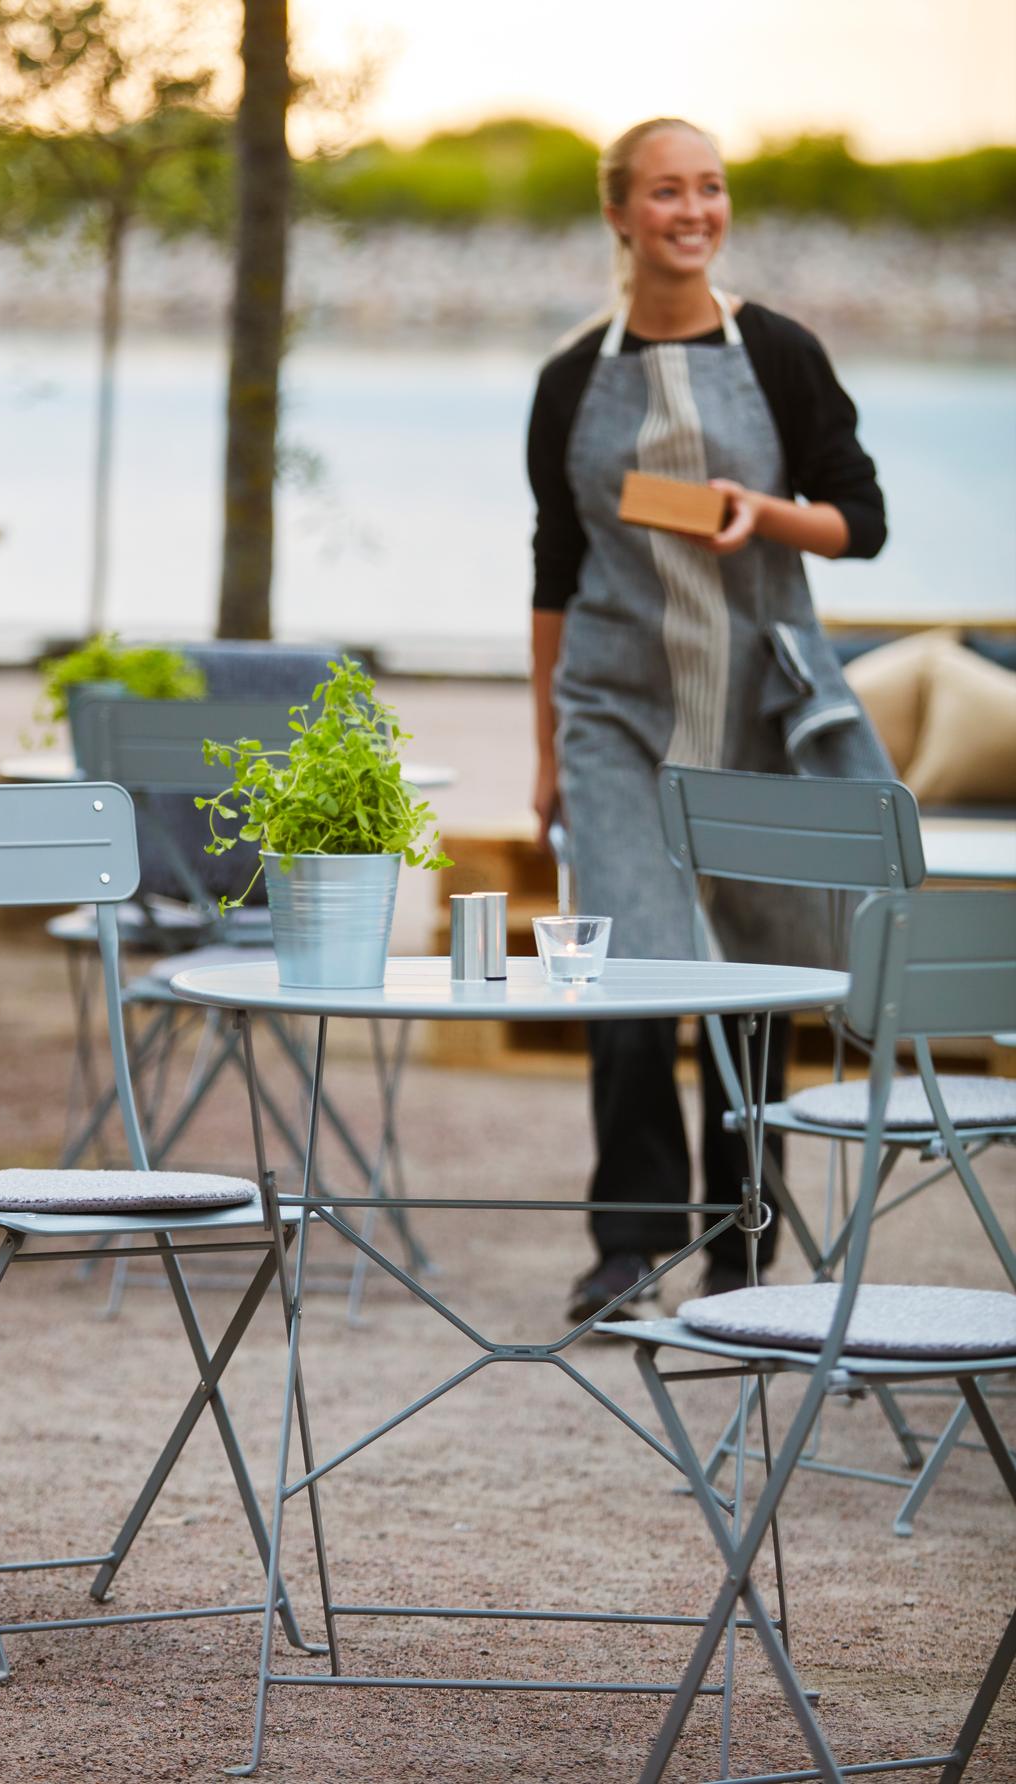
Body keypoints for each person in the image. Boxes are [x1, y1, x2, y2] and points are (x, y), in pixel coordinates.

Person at [526, 117, 892, 1324]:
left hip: (757, 709)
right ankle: (627, 1247)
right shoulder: (568, 378)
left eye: (710, 188)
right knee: (629, 969)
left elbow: (858, 520)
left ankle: (740, 1245)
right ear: (617, 213)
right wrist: (545, 750)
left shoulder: (777, 352)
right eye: (666, 191)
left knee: (753, 977)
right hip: (614, 711)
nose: (692, 211)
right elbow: (553, 568)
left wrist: (759, 512)